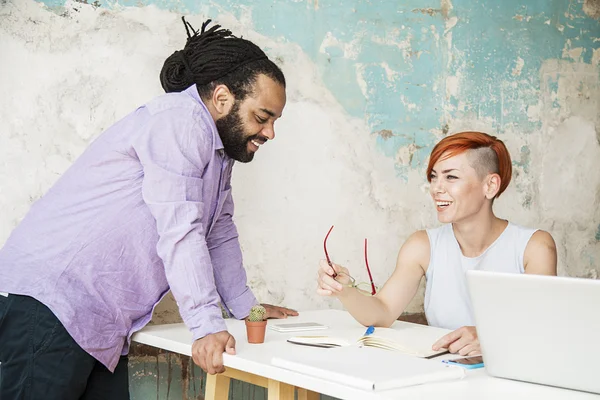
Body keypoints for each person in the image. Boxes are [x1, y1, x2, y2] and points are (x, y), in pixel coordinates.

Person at [0, 17, 297, 399]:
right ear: (222, 98)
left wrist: (247, 309)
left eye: (275, 121)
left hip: (98, 326)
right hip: (52, 307)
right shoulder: (180, 120)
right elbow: (181, 228)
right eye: (262, 117)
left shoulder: (218, 151)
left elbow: (217, 229)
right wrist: (206, 326)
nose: (270, 132)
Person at [317, 131, 557, 356]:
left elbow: (541, 325)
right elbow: (383, 312)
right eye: (433, 177)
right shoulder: (422, 246)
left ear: (490, 185)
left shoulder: (534, 247)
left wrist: (489, 337)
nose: (436, 188)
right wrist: (345, 291)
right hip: (444, 375)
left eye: (451, 177)